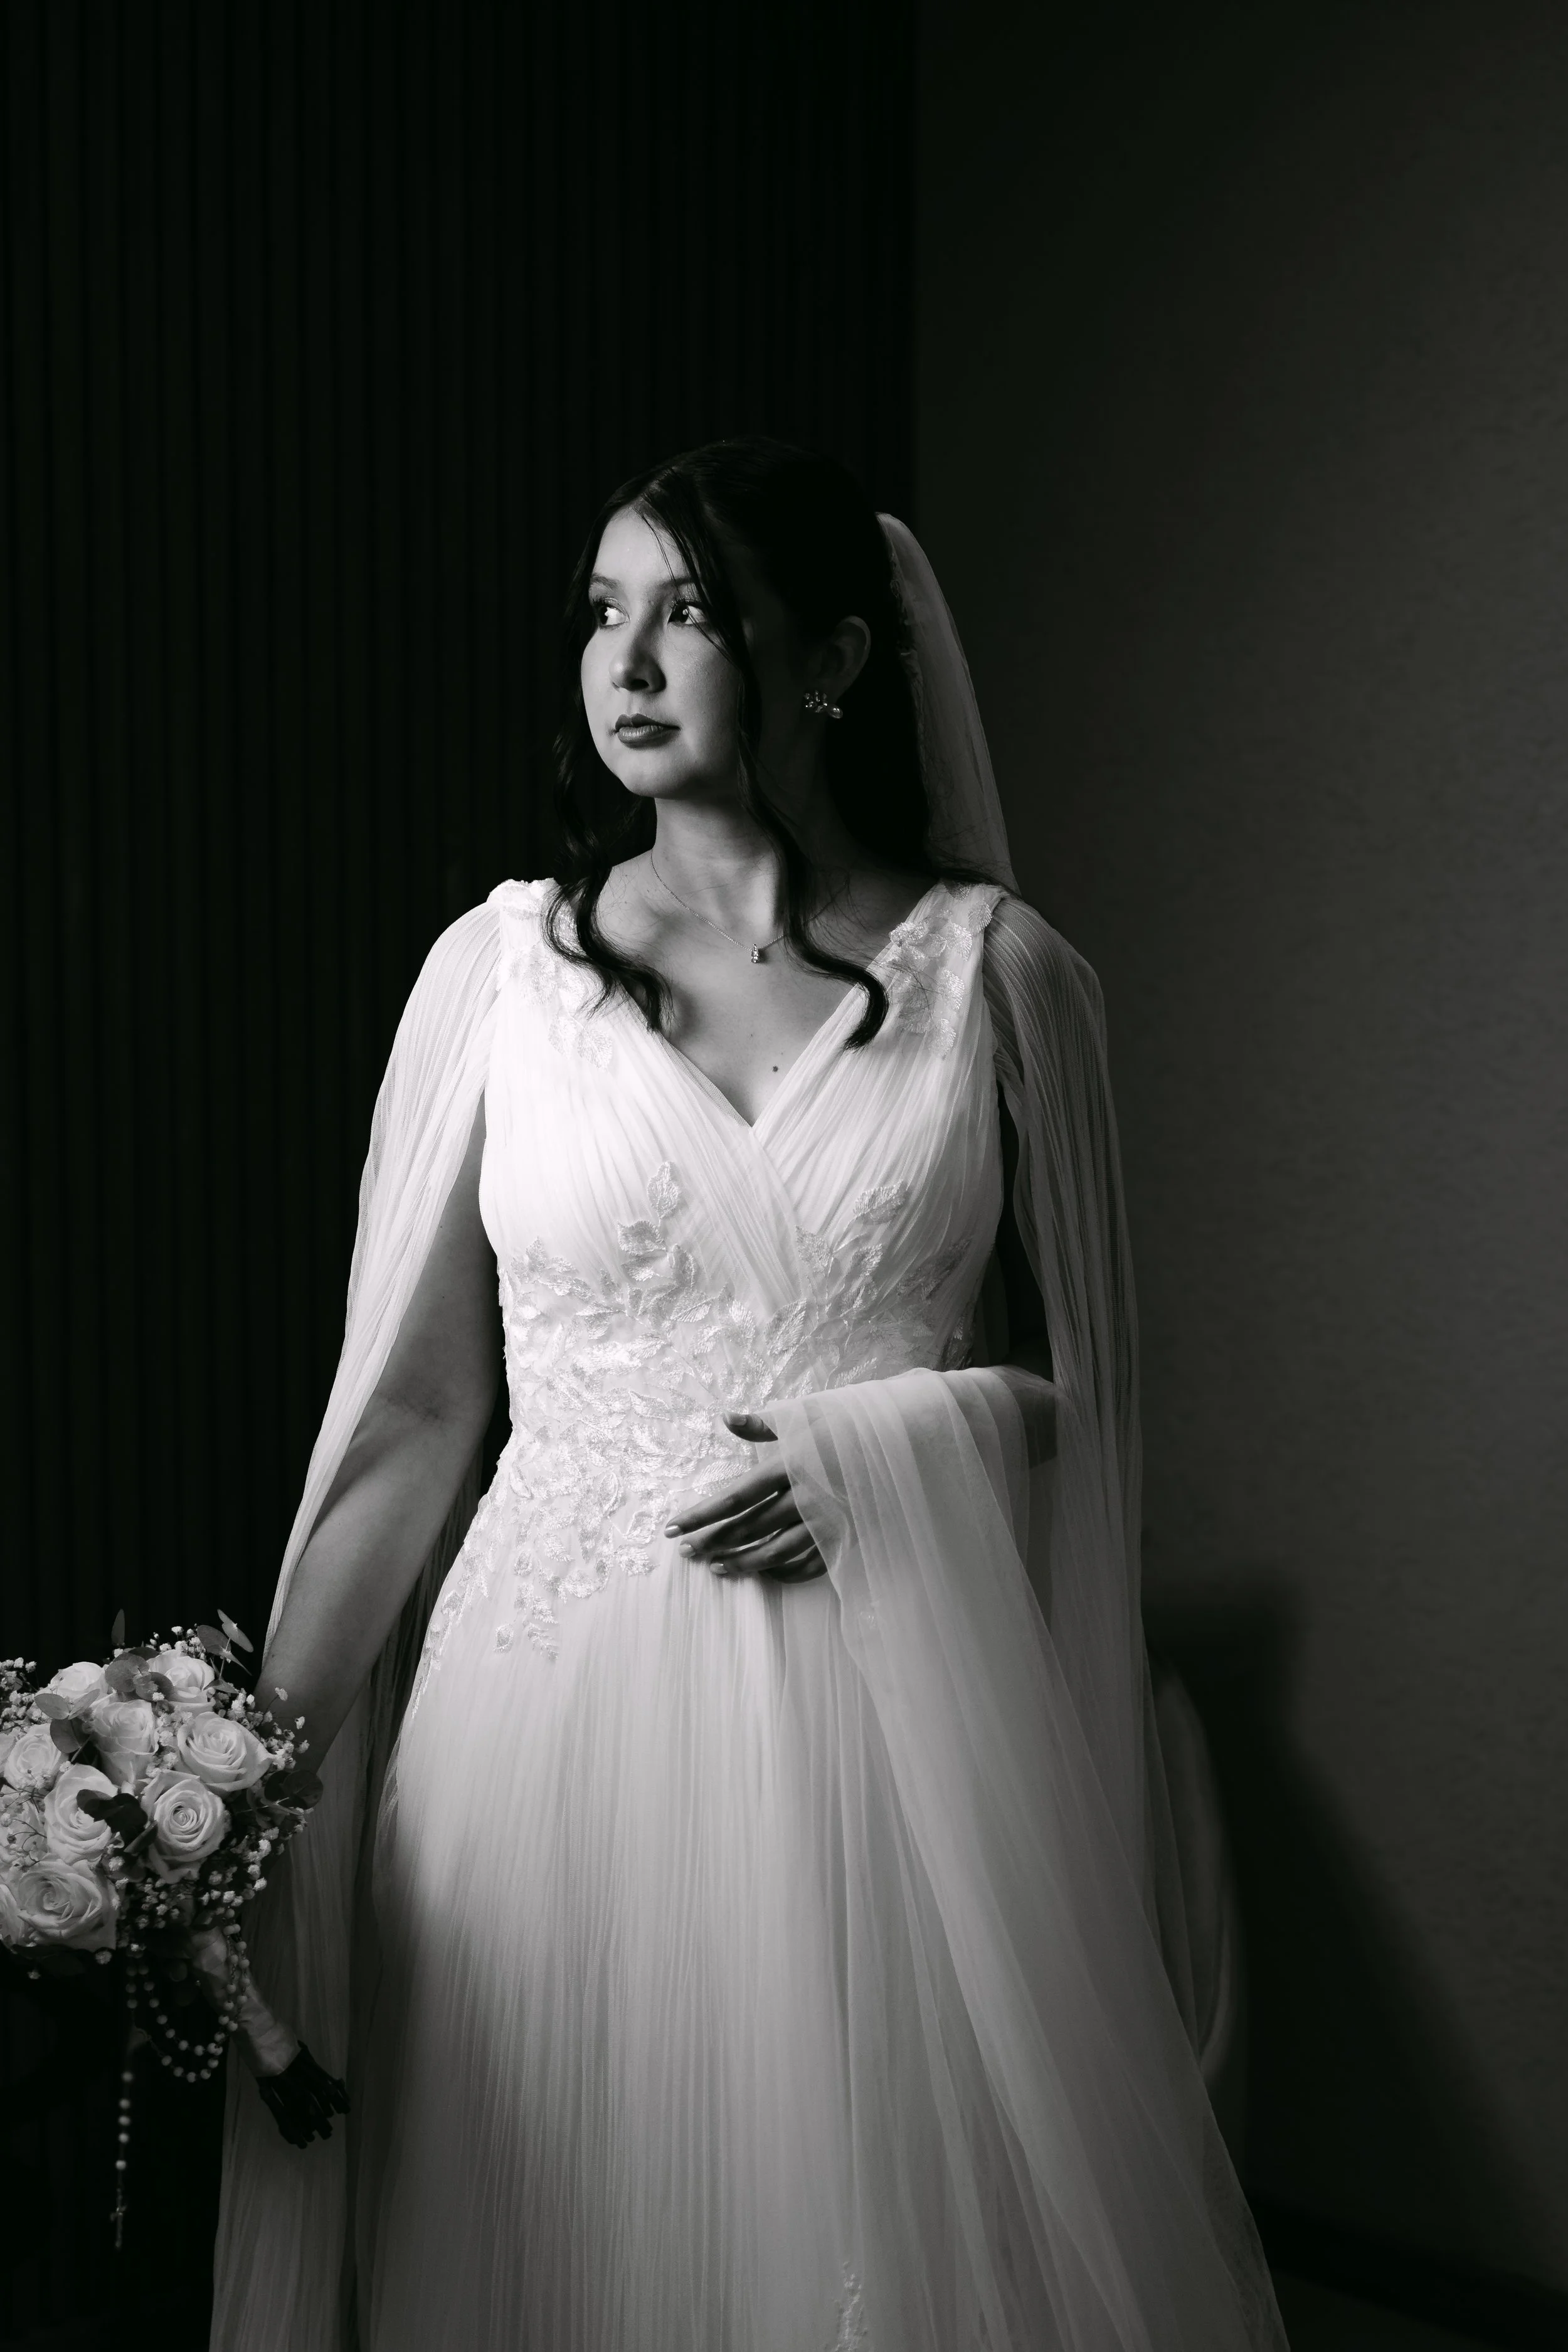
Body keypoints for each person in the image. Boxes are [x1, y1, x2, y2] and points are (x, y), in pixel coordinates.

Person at [210, 438, 1286, 2351]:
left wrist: (912, 1440)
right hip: (540, 1741)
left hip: (880, 1725)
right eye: (601, 613)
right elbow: (414, 1423)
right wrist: (242, 1793)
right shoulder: (496, 976)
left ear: (832, 659)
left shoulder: (1005, 981)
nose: (624, 662)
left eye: (691, 612)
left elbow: (1085, 1387)